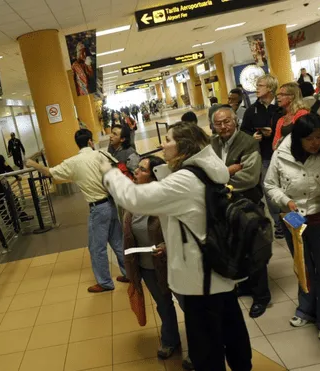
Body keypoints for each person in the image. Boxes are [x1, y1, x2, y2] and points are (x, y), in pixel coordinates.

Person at [101, 122, 252, 371]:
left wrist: (109, 173)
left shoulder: (185, 180)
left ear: (184, 145)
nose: (163, 144)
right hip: (220, 269)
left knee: (206, 349)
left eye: (169, 139)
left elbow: (135, 198)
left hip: (198, 279)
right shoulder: (211, 168)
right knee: (232, 333)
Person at [265, 113, 320, 341]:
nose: (316, 143)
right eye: (310, 138)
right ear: (298, 138)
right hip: (293, 218)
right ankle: (306, 309)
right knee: (303, 268)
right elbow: (270, 185)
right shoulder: (281, 153)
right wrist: (286, 201)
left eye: (319, 137)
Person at [26, 129, 128, 292]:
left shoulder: (73, 162)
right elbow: (111, 176)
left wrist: (32, 164)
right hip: (111, 204)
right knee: (117, 241)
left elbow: (50, 172)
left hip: (98, 208)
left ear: (77, 143)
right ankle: (129, 273)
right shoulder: (100, 155)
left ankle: (105, 283)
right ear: (90, 141)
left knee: (97, 248)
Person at [121, 155, 192, 368]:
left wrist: (166, 247)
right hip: (147, 266)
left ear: (154, 176)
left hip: (172, 263)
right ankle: (170, 339)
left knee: (188, 305)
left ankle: (199, 347)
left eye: (142, 169)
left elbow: (184, 231)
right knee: (163, 305)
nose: (136, 171)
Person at [211, 107, 270, 319]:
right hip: (226, 207)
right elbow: (207, 171)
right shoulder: (213, 143)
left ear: (235, 121)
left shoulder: (248, 143)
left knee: (255, 249)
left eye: (227, 121)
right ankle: (246, 286)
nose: (223, 126)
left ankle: (262, 296)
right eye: (219, 123)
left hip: (248, 203)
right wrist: (228, 171)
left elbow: (250, 178)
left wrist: (218, 177)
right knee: (236, 248)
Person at [241, 74, 284, 240]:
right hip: (264, 155)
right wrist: (253, 136)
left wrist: (275, 133)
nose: (257, 88)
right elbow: (244, 131)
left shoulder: (280, 108)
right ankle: (278, 223)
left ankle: (292, 219)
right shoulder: (252, 110)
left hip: (283, 155)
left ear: (270, 88)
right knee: (270, 190)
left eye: (260, 85)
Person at [0, 144, 32, 226]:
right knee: (13, 199)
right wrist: (16, 175)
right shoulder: (0, 157)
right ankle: (21, 215)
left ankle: (7, 221)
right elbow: (7, 168)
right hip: (3, 185)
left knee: (0, 204)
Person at [273, 82, 309, 150]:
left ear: (292, 97)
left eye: (282, 94)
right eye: (278, 94)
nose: (278, 97)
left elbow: (304, 140)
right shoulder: (281, 120)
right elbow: (274, 145)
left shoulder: (302, 114)